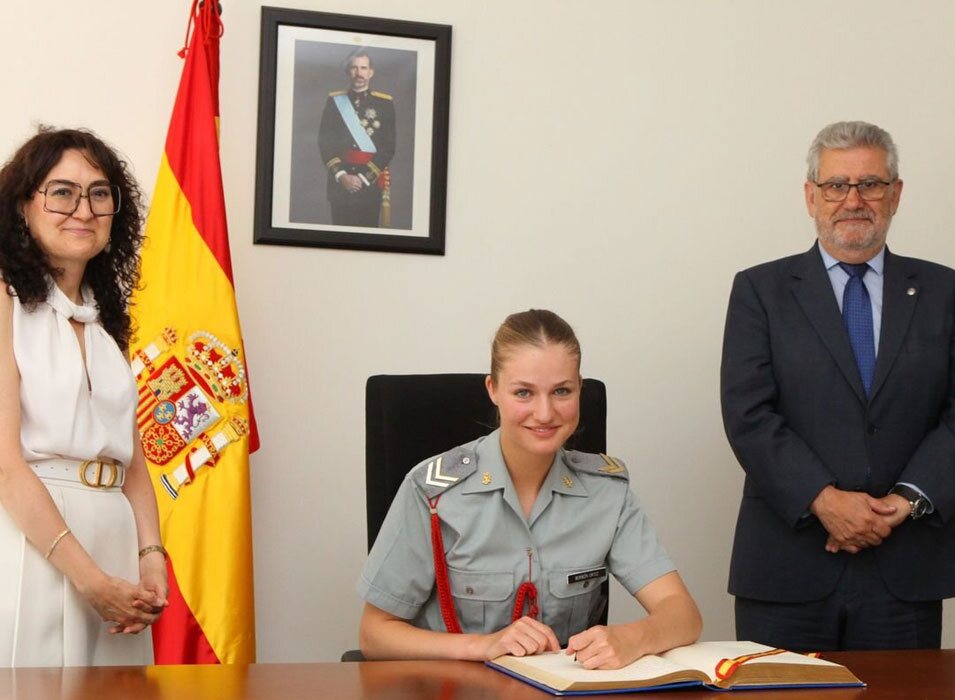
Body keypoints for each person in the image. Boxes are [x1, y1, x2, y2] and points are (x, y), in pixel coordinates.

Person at [721, 121, 955, 651]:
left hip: (905, 566)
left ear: (895, 194)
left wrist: (906, 501)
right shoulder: (760, 290)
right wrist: (824, 500)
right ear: (811, 196)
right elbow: (748, 415)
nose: (854, 199)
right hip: (788, 564)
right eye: (836, 185)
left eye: (870, 184)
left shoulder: (944, 291)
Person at [358, 309, 701, 668]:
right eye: (523, 392)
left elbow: (683, 614)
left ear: (580, 389)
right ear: (493, 390)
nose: (544, 412)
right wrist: (484, 645)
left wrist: (632, 638)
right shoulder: (433, 493)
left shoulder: (607, 494)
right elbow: (374, 634)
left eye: (562, 391)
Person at [0, 127, 168, 666]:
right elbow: (5, 465)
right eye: (62, 191)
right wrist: (89, 580)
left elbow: (133, 459)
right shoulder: (4, 302)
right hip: (35, 544)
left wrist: (151, 556)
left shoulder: (103, 320)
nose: (84, 208)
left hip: (114, 543)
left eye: (100, 193)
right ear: (23, 206)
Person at [318, 51, 396, 228]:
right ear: (348, 72)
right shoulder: (334, 101)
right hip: (340, 185)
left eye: (363, 68)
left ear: (371, 72)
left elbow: (389, 147)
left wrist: (363, 178)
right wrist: (342, 175)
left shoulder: (385, 104)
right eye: (354, 67)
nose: (359, 73)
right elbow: (324, 142)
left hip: (370, 184)